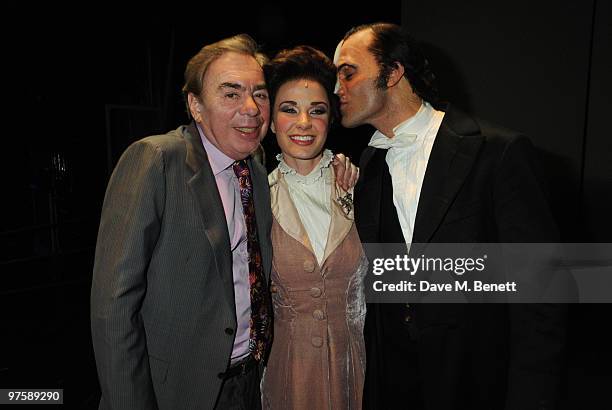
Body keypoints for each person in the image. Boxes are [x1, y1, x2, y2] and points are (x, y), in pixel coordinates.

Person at [334, 23, 567, 410]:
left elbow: (541, 294)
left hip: (478, 383)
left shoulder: (498, 152)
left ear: (393, 72)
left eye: (348, 72)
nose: (338, 87)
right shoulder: (369, 166)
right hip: (396, 384)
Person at [91, 34, 274, 410]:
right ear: (195, 104)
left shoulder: (255, 172)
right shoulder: (156, 160)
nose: (251, 108)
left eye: (260, 93)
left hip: (247, 382)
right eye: (231, 93)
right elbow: (113, 306)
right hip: (175, 392)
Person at [260, 45, 367, 409]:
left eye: (316, 111)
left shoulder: (357, 186)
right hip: (290, 375)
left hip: (357, 371)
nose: (304, 122)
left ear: (329, 119)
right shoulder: (257, 198)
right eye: (289, 110)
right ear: (271, 121)